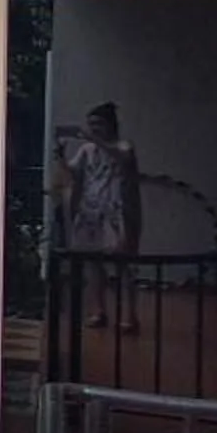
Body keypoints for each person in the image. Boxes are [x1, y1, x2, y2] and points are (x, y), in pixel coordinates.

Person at [52, 102, 142, 333]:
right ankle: (98, 310)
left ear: (111, 125)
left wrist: (92, 138)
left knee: (123, 265)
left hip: (118, 211)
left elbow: (122, 157)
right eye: (91, 124)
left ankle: (129, 316)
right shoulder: (87, 151)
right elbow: (74, 173)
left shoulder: (124, 146)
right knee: (93, 264)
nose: (94, 128)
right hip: (91, 209)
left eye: (98, 124)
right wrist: (60, 156)